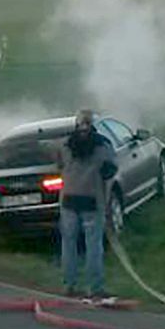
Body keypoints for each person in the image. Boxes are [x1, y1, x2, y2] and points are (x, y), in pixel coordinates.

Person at [58, 110, 118, 302]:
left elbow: (59, 166)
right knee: (93, 245)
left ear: (76, 124)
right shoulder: (103, 144)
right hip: (92, 199)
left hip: (69, 199)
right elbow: (110, 170)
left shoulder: (66, 144)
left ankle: (69, 285)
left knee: (69, 244)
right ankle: (94, 288)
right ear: (93, 124)